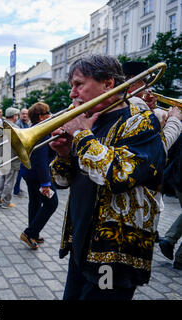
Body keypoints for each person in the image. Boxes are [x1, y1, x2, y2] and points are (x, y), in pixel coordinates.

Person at [49, 55, 166, 300]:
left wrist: (81, 135)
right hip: (81, 246)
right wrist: (63, 154)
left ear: (108, 83)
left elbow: (119, 177)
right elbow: (61, 182)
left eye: (79, 84)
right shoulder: (92, 121)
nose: (72, 94)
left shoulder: (140, 123)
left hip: (114, 254)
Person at [20, 102, 58, 250]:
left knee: (35, 202)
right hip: (38, 176)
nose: (51, 114)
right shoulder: (41, 132)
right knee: (51, 203)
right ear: (41, 117)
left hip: (30, 173)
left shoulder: (35, 129)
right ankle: (30, 233)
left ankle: (33, 233)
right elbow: (41, 161)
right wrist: (46, 183)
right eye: (48, 112)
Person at [0, 107, 21, 209]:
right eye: (17, 115)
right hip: (12, 158)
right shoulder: (15, 128)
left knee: (2, 177)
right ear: (14, 116)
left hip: (2, 156)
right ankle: (5, 202)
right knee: (10, 181)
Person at [13, 108, 31, 196]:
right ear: (20, 115)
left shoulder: (26, 124)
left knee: (21, 172)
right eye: (23, 114)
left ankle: (17, 189)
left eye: (26, 114)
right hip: (18, 152)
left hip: (23, 151)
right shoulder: (18, 124)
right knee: (20, 172)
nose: (24, 115)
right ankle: (16, 190)